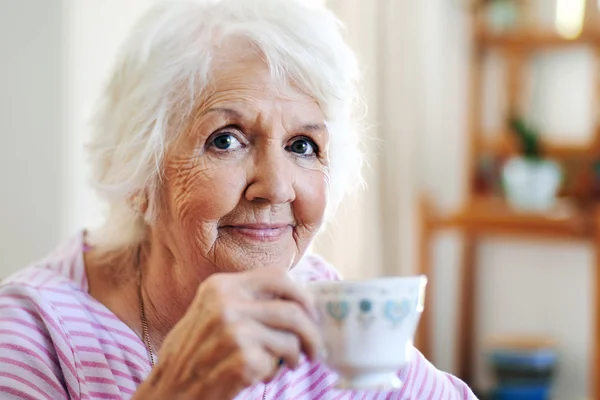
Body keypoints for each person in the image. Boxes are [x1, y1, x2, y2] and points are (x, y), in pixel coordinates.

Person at [0, 0, 477, 398]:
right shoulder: (30, 336)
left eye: (302, 146)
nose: (276, 185)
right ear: (139, 171)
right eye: (226, 139)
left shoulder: (332, 314)